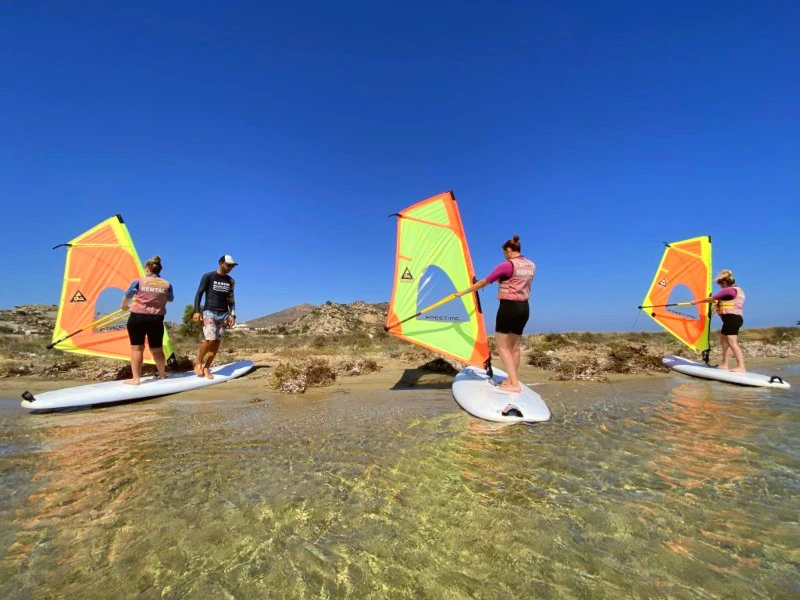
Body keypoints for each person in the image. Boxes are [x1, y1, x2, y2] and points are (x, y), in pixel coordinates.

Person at [454, 235, 535, 393]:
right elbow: (516, 281)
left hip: (509, 308)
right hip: (524, 308)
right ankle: (511, 379)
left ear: (508, 250)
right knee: (515, 347)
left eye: (504, 252)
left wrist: (463, 292)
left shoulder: (507, 265)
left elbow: (483, 282)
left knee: (503, 347)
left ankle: (514, 385)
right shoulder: (531, 264)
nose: (504, 255)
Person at [121, 256, 174, 385]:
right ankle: (162, 375)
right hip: (156, 319)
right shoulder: (167, 284)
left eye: (145, 268)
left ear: (148, 268)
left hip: (137, 317)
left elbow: (128, 295)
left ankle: (136, 379)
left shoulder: (138, 282)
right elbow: (171, 299)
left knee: (137, 349)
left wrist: (123, 307)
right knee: (157, 349)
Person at [192, 255, 238, 378]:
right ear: (220, 263)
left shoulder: (231, 281)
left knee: (216, 342)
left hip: (224, 314)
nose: (230, 268)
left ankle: (207, 368)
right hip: (209, 312)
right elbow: (199, 293)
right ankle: (198, 362)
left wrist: (232, 315)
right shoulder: (208, 276)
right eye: (228, 265)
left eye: (232, 266)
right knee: (209, 340)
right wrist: (197, 311)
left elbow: (231, 299)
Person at [692, 269, 746, 372]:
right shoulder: (736, 290)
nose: (720, 287)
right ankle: (724, 364)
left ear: (725, 283)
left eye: (720, 285)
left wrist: (696, 302)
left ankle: (741, 366)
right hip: (732, 319)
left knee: (732, 341)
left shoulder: (729, 290)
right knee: (724, 340)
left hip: (732, 319)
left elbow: (711, 299)